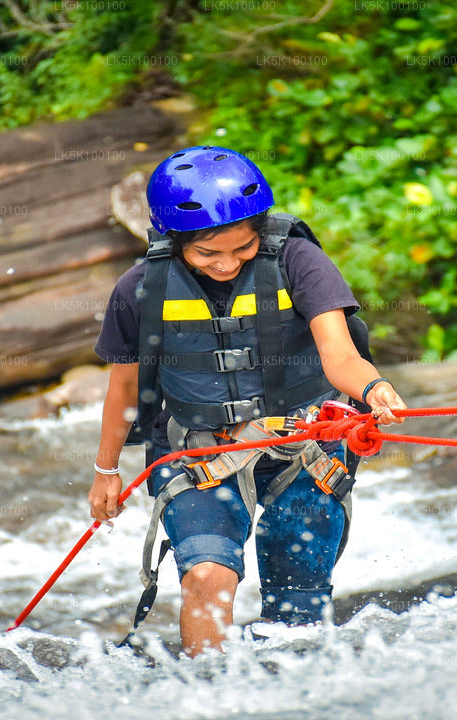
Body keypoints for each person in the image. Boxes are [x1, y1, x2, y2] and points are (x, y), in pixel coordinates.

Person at [88, 146, 407, 657]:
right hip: (200, 452)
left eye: (242, 248)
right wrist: (106, 470)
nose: (227, 264)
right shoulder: (139, 288)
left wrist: (373, 389)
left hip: (308, 450)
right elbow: (123, 389)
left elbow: (340, 356)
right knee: (207, 576)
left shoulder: (299, 261)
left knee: (297, 602)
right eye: (207, 254)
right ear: (175, 242)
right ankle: (208, 694)